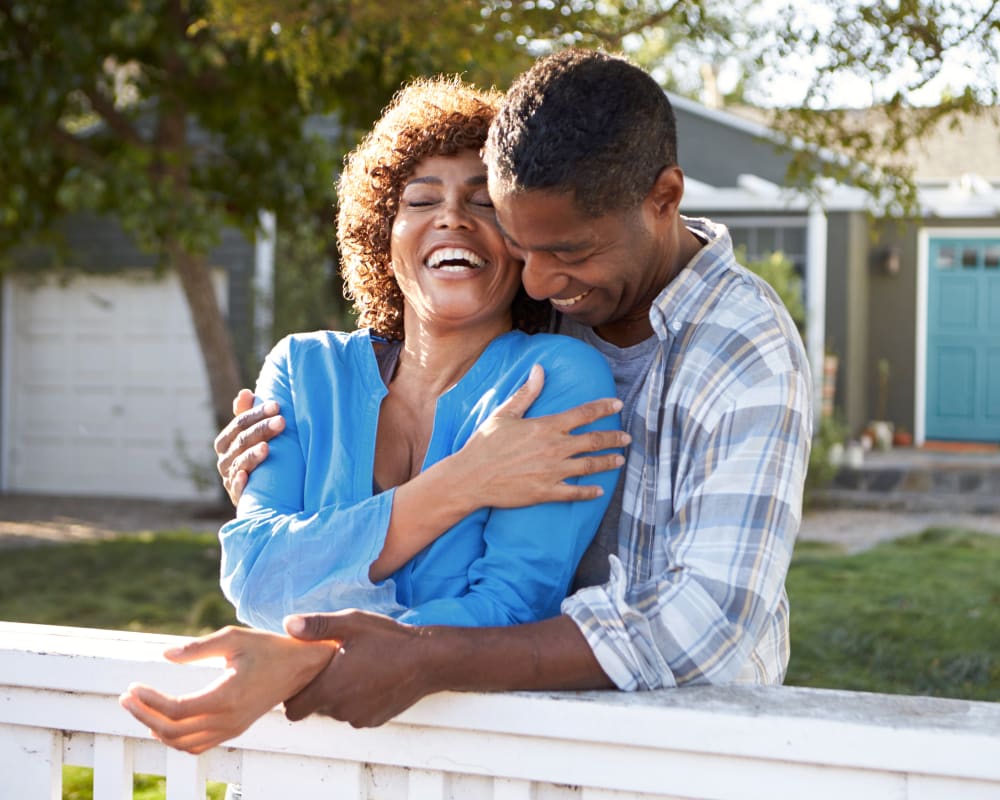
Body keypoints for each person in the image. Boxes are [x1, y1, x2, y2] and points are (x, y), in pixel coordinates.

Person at [217, 47, 812, 729]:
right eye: (525, 248)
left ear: (664, 200)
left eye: (567, 253)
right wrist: (294, 493)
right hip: (523, 721)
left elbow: (703, 623)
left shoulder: (742, 351)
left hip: (688, 739)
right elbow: (262, 565)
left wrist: (418, 654)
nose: (537, 283)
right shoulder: (557, 290)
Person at [119, 75, 626, 753]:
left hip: (463, 759)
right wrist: (466, 483)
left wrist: (310, 654)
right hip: (300, 763)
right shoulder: (305, 369)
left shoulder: (558, 380)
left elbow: (512, 609)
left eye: (485, 204)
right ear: (381, 237)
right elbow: (256, 578)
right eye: (421, 200)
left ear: (522, 242)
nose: (451, 217)